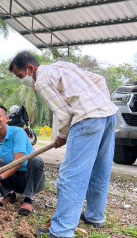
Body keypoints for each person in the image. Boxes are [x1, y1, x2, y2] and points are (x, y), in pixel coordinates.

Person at [9, 51, 118, 238]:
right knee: (100, 170)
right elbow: (99, 79)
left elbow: (64, 115)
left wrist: (61, 135)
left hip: (86, 119)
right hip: (108, 115)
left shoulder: (42, 80)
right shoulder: (62, 66)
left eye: (21, 76)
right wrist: (101, 103)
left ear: (30, 68)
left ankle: (61, 231)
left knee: (71, 176)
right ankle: (95, 216)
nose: (22, 81)